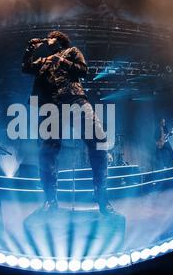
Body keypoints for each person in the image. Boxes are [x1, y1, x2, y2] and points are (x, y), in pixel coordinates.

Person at [22, 31, 117, 216]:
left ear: (59, 40)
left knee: (98, 140)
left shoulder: (72, 51)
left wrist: (63, 61)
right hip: (51, 105)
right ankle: (51, 200)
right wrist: (30, 49)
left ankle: (101, 195)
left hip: (75, 100)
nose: (47, 40)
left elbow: (84, 70)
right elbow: (26, 68)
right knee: (47, 151)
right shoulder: (44, 61)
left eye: (50, 37)